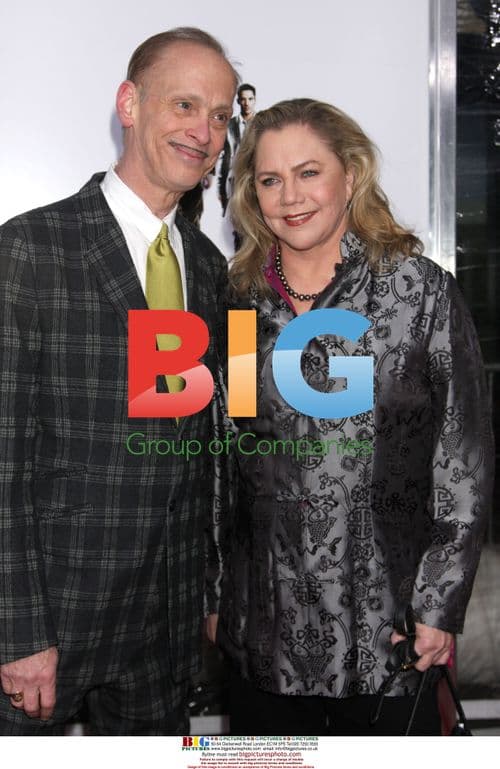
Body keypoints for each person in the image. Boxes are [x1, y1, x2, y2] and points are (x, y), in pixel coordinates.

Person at [208, 99, 494, 736]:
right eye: (270, 179)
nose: (290, 196)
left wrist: (438, 604)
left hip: (389, 633)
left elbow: (462, 460)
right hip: (265, 637)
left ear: (351, 175)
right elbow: (231, 462)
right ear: (252, 194)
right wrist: (217, 594)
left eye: (309, 173)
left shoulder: (418, 293)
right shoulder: (240, 306)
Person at [0, 27, 237, 735]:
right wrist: (16, 631)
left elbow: (216, 453)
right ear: (129, 105)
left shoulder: (214, 272)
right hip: (50, 629)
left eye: (222, 116)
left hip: (164, 634)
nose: (205, 131)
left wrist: (213, 595)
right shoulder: (28, 248)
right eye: (186, 105)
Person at [218, 83, 257, 217]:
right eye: (243, 99)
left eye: (250, 99)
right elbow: (223, 157)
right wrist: (220, 188)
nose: (247, 103)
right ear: (238, 101)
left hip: (255, 178)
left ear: (255, 100)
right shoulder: (228, 125)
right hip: (232, 179)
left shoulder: (263, 124)